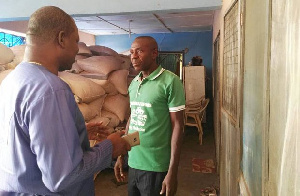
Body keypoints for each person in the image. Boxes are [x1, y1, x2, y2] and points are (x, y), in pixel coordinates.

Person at [0, 6, 130, 195]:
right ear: (61, 38)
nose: (78, 49)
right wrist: (109, 148)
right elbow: (62, 177)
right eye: (76, 41)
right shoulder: (51, 89)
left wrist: (75, 134)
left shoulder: (13, 79)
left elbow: (24, 138)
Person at [114, 36, 186, 196]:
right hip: (133, 163)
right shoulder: (135, 83)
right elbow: (133, 118)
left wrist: (172, 172)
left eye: (139, 51)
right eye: (132, 52)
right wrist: (122, 154)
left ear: (154, 53)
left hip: (156, 165)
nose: (133, 56)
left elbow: (178, 127)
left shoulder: (170, 81)